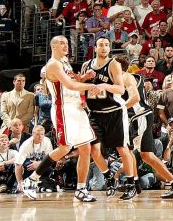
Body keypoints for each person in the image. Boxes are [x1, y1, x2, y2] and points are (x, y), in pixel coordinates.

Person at [22, 36, 103, 202]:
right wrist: (91, 86)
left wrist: (85, 77)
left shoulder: (65, 62)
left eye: (67, 43)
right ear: (53, 46)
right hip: (63, 109)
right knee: (65, 147)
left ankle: (81, 189)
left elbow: (75, 81)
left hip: (77, 108)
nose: (66, 46)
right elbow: (70, 85)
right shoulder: (53, 64)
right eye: (62, 43)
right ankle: (31, 179)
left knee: (85, 148)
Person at [80, 38, 138, 200]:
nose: (104, 47)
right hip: (95, 114)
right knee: (94, 150)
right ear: (95, 47)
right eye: (101, 45)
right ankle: (108, 178)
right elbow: (78, 84)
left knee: (122, 149)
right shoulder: (87, 65)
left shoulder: (113, 64)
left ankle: (131, 184)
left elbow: (120, 88)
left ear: (109, 47)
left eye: (106, 45)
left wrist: (104, 86)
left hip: (114, 112)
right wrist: (84, 78)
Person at [125, 69, 173, 198]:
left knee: (130, 151)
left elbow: (135, 97)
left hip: (139, 116)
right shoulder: (129, 77)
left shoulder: (126, 77)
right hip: (139, 117)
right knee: (144, 155)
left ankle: (133, 184)